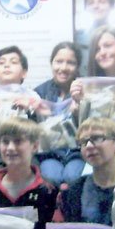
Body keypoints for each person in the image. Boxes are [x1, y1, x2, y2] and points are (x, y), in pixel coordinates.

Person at [0, 45, 41, 179]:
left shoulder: (32, 96)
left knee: (34, 177)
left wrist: (29, 112)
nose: (7, 66)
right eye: (2, 63)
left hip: (23, 151)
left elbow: (38, 134)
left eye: (13, 62)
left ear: (24, 72)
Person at [34, 42, 85, 185]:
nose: (63, 68)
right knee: (52, 176)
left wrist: (79, 109)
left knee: (73, 176)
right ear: (51, 63)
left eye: (70, 63)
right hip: (50, 154)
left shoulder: (85, 90)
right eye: (59, 61)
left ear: (78, 66)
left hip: (77, 153)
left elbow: (92, 126)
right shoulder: (39, 92)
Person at [75, 0, 115, 75]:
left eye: (102, 2)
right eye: (91, 3)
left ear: (111, 6)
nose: (96, 6)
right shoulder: (78, 38)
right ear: (86, 8)